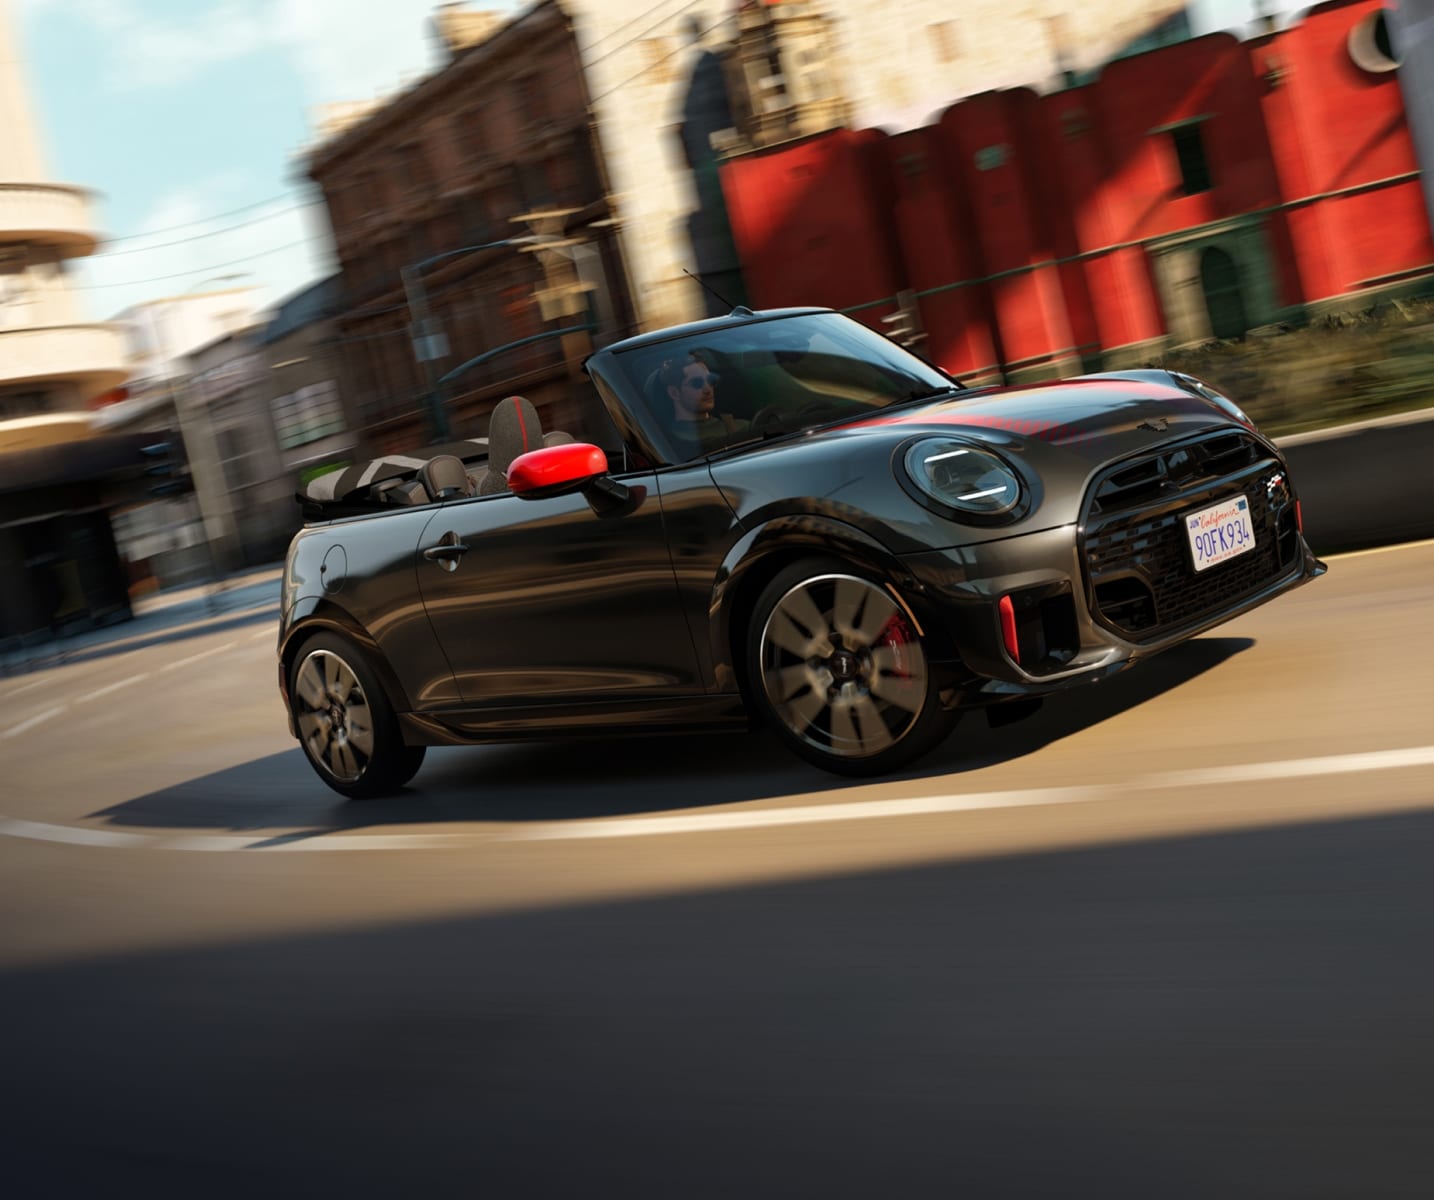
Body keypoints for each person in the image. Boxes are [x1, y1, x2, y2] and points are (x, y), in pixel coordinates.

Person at [659, 351, 749, 452]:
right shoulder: (670, 445)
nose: (708, 389)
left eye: (710, 380)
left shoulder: (743, 427)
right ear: (674, 393)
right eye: (697, 383)